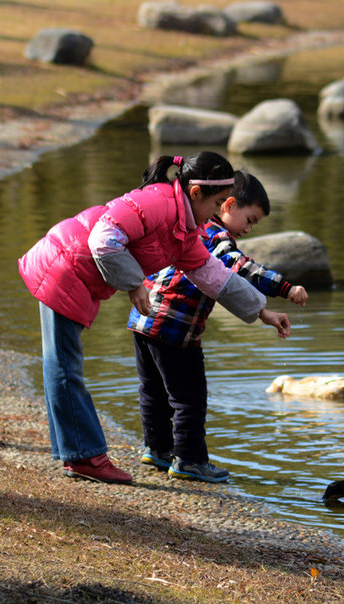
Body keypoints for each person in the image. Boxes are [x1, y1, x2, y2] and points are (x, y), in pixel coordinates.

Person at [18, 153, 291, 484]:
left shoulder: (185, 228)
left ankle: (78, 453)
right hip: (65, 267)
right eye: (216, 202)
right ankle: (85, 457)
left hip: (74, 272)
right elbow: (103, 239)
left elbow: (213, 275)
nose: (216, 212)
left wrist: (261, 311)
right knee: (63, 368)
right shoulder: (157, 202)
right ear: (195, 194)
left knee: (62, 366)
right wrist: (135, 285)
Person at [128, 170, 308, 483]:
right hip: (175, 326)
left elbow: (223, 285)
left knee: (153, 390)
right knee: (190, 398)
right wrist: (285, 287)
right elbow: (238, 266)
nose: (250, 229)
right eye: (250, 220)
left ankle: (157, 449)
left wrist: (261, 312)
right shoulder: (215, 236)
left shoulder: (190, 227)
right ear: (228, 205)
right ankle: (190, 459)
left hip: (143, 319)